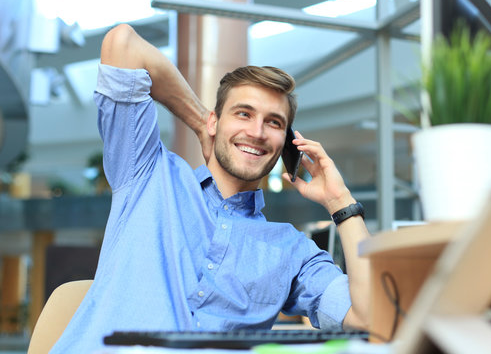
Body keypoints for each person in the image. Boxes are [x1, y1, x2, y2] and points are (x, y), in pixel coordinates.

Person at [50, 23, 371, 353]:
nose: (257, 131)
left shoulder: (291, 251)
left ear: (286, 143)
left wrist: (340, 201)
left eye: (274, 122)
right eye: (243, 113)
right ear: (216, 121)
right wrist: (200, 122)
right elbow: (123, 45)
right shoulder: (147, 172)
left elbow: (369, 318)